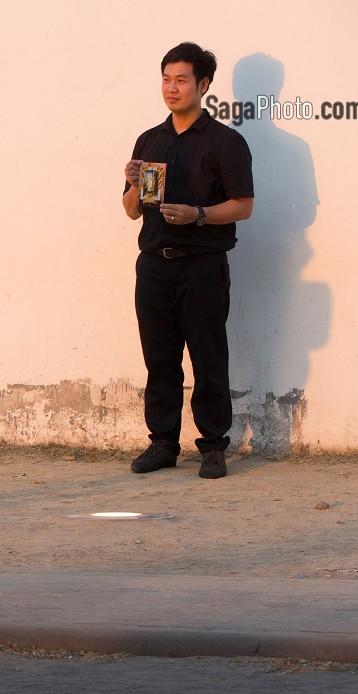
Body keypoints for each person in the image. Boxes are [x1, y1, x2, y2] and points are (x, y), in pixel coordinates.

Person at [122, 42, 253, 479]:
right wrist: (132, 185)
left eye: (181, 80)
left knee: (207, 355)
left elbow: (243, 205)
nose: (171, 88)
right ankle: (162, 444)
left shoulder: (226, 142)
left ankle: (214, 447)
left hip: (202, 265)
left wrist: (199, 215)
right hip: (153, 264)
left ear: (204, 85)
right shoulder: (149, 139)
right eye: (166, 79)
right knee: (159, 358)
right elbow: (132, 210)